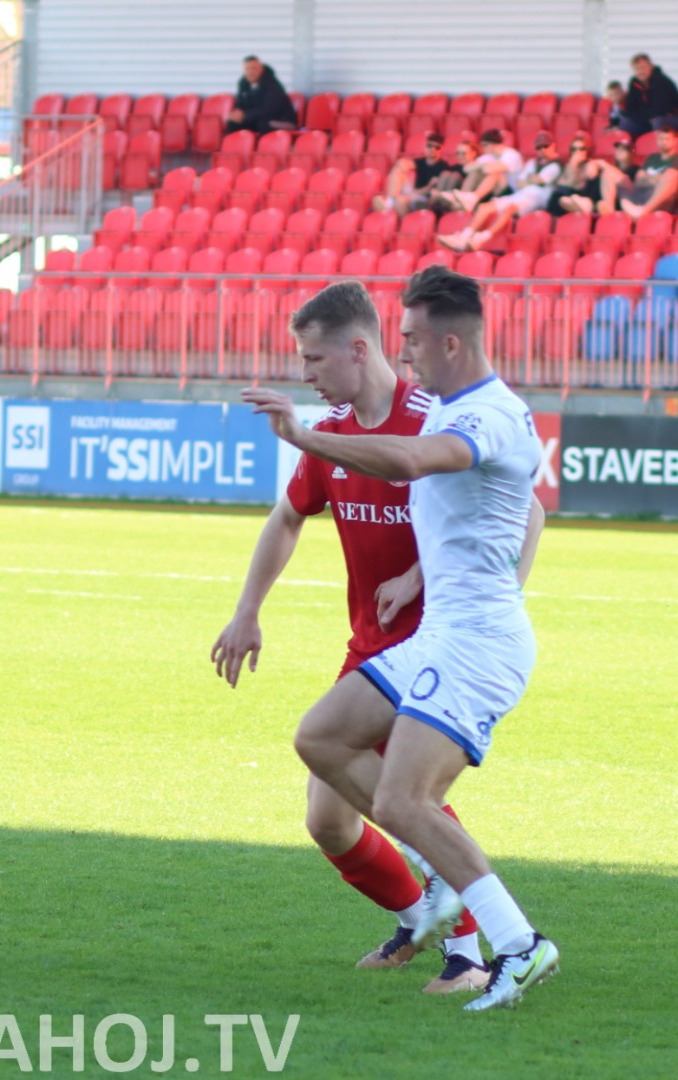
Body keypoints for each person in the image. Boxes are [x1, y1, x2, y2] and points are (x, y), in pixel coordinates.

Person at [213, 281, 546, 993]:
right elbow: (289, 516)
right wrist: (247, 610)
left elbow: (520, 511)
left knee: (408, 799)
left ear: (356, 350)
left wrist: (426, 579)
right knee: (329, 818)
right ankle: (423, 915)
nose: (305, 373)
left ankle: (471, 952)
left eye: (313, 358)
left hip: (441, 643)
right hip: (372, 645)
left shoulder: (436, 417)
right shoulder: (337, 431)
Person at [441, 134, 563, 252]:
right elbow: (521, 182)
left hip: (536, 197)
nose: (542, 150)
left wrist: (530, 180)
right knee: (484, 207)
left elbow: (539, 179)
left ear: (553, 146)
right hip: (520, 194)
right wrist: (531, 180)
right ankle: (464, 236)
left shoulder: (556, 164)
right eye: (539, 147)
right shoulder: (532, 162)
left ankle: (481, 238)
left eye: (545, 146)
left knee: (509, 208)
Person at [601, 120, 678, 219]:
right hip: (637, 197)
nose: (664, 142)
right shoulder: (652, 158)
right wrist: (658, 179)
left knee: (669, 179)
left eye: (667, 139)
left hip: (658, 204)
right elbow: (639, 180)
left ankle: (643, 212)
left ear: (675, 141)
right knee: (609, 172)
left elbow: (669, 179)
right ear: (657, 140)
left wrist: (649, 178)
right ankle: (610, 215)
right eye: (661, 139)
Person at [439, 129, 524, 213]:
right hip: (492, 190)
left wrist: (481, 166)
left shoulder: (511, 154)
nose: (482, 149)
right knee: (475, 172)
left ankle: (473, 198)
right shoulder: (488, 156)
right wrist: (481, 166)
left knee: (494, 173)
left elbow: (490, 169)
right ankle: (463, 199)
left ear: (490, 145)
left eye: (483, 145)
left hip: (511, 191)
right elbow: (467, 168)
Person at [375, 132, 460, 214]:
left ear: (442, 150)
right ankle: (390, 201)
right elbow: (403, 163)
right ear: (425, 147)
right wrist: (401, 166)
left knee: (401, 200)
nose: (432, 149)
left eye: (437, 147)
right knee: (397, 171)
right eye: (429, 146)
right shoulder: (420, 162)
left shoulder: (443, 168)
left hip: (424, 198)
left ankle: (390, 205)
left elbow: (430, 192)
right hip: (414, 192)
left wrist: (426, 188)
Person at [618, 53, 678, 137]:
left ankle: (657, 145)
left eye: (643, 67)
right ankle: (634, 145)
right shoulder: (634, 83)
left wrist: (639, 114)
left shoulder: (661, 81)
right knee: (626, 123)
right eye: (636, 69)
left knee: (658, 121)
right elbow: (630, 109)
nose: (640, 72)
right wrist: (635, 115)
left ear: (651, 67)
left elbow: (660, 111)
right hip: (649, 120)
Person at [226, 55, 299, 135]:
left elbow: (269, 110)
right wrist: (237, 114)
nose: (250, 72)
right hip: (258, 119)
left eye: (253, 68)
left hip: (283, 120)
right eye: (247, 69)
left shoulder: (273, 85)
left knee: (263, 124)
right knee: (233, 123)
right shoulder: (243, 84)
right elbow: (240, 104)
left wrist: (245, 115)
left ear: (261, 69)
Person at [546, 135, 595, 217]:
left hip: (578, 198)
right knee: (560, 198)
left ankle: (583, 214)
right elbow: (565, 184)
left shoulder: (590, 165)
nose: (578, 152)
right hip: (561, 200)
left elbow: (575, 185)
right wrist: (573, 164)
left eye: (581, 149)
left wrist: (574, 163)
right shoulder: (568, 165)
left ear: (587, 151)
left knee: (564, 199)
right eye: (574, 149)